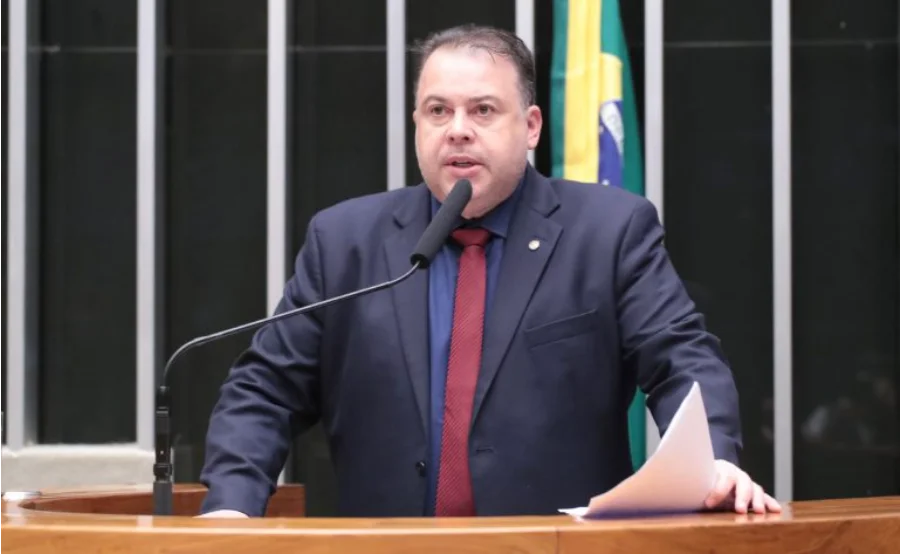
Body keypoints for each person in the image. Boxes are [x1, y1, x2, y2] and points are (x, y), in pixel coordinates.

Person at [198, 24, 780, 519]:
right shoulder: (344, 241)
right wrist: (231, 509)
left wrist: (713, 463)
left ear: (530, 127)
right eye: (437, 111)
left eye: (482, 110)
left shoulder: (607, 232)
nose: (457, 129)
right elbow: (265, 391)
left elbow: (681, 358)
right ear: (417, 125)